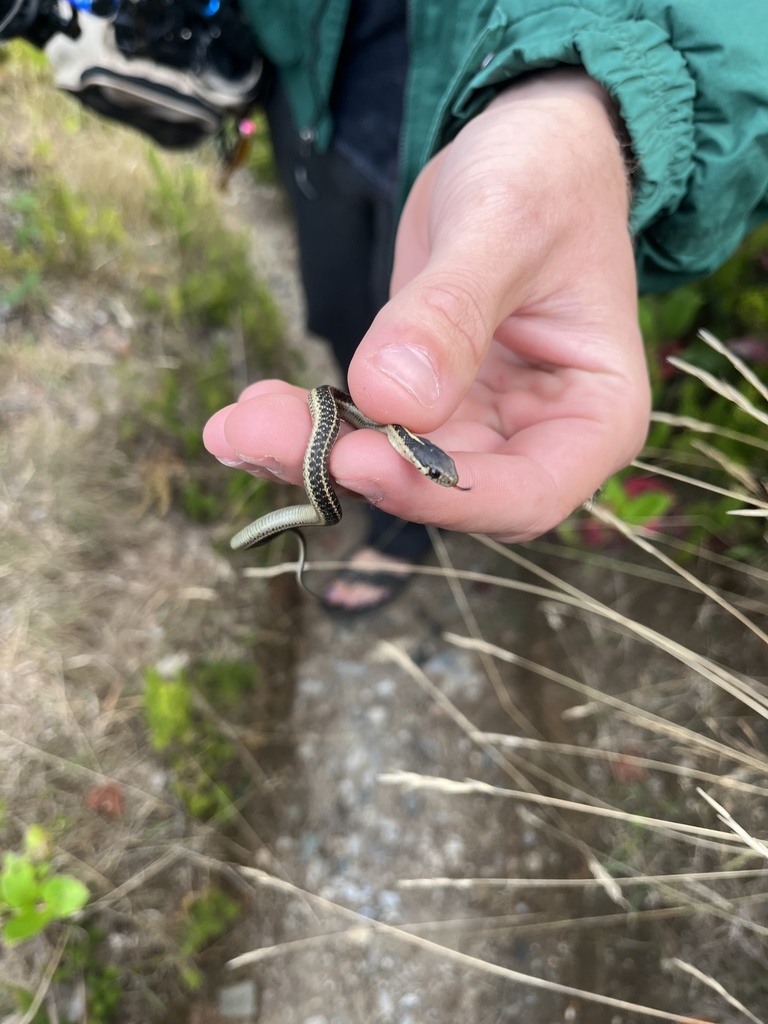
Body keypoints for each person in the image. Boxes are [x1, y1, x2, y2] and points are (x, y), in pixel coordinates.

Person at [200, 0, 768, 613]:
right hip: (312, 91)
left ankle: (399, 533)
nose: (442, 467)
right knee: (347, 317)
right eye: (437, 467)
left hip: (468, 109)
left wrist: (580, 100)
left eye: (436, 467)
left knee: (401, 388)